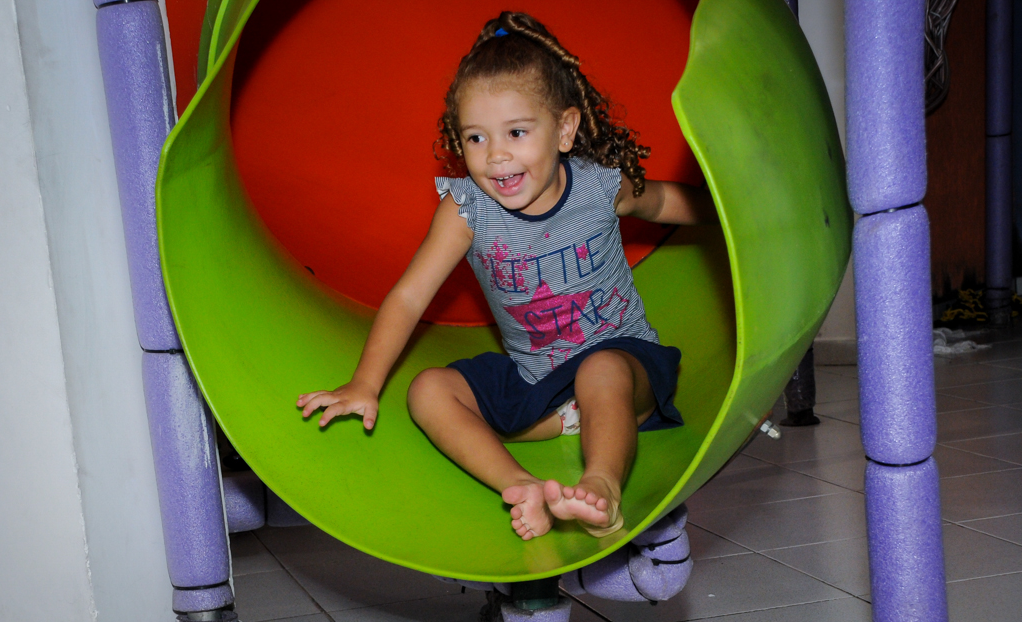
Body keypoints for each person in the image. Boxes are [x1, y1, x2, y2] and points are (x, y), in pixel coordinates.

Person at [297, 11, 715, 541]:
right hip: (537, 382)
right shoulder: (467, 210)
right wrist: (365, 382)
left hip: (624, 368)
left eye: (516, 132)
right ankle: (520, 485)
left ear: (564, 130)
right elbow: (407, 298)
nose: (496, 156)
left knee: (601, 369)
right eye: (475, 138)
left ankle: (602, 487)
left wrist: (733, 215)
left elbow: (662, 202)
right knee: (427, 390)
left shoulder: (599, 187)